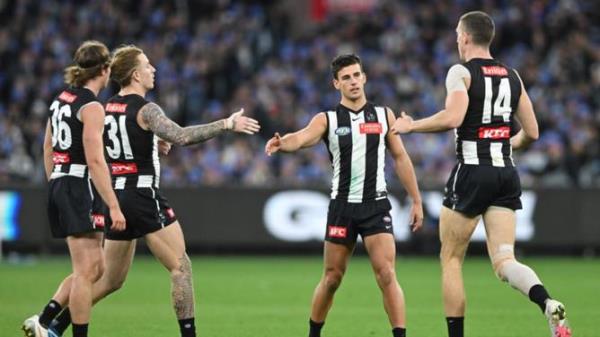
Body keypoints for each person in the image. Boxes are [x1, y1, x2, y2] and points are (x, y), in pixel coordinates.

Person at [36, 45, 261, 337]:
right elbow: (181, 136)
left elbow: (103, 145)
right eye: (147, 66)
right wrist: (226, 123)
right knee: (181, 269)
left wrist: (150, 143)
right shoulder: (147, 109)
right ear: (134, 74)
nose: (153, 70)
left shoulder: (105, 107)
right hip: (142, 195)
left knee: (109, 281)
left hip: (114, 195)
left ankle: (54, 326)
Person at [391, 11, 571, 337]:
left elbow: (453, 117)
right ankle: (547, 303)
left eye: (458, 34)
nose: (456, 39)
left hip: (472, 172)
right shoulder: (512, 75)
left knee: (451, 259)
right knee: (504, 261)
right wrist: (505, 145)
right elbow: (532, 131)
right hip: (505, 173)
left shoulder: (461, 71)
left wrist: (411, 125)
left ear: (466, 37)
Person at [265, 54, 424, 337]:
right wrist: (282, 143)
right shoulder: (326, 119)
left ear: (364, 77)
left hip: (376, 206)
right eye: (346, 77)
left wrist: (416, 200)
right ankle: (314, 333)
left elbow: (400, 157)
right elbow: (302, 137)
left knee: (387, 274)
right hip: (342, 208)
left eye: (356, 75)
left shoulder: (384, 115)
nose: (353, 81)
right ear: (336, 83)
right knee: (332, 278)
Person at [22, 40, 126, 337]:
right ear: (104, 69)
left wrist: (55, 181)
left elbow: (48, 146)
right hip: (79, 184)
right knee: (86, 271)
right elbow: (95, 159)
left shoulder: (61, 99)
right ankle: (66, 331)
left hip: (62, 181)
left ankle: (44, 320)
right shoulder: (92, 106)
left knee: (95, 268)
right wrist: (114, 205)